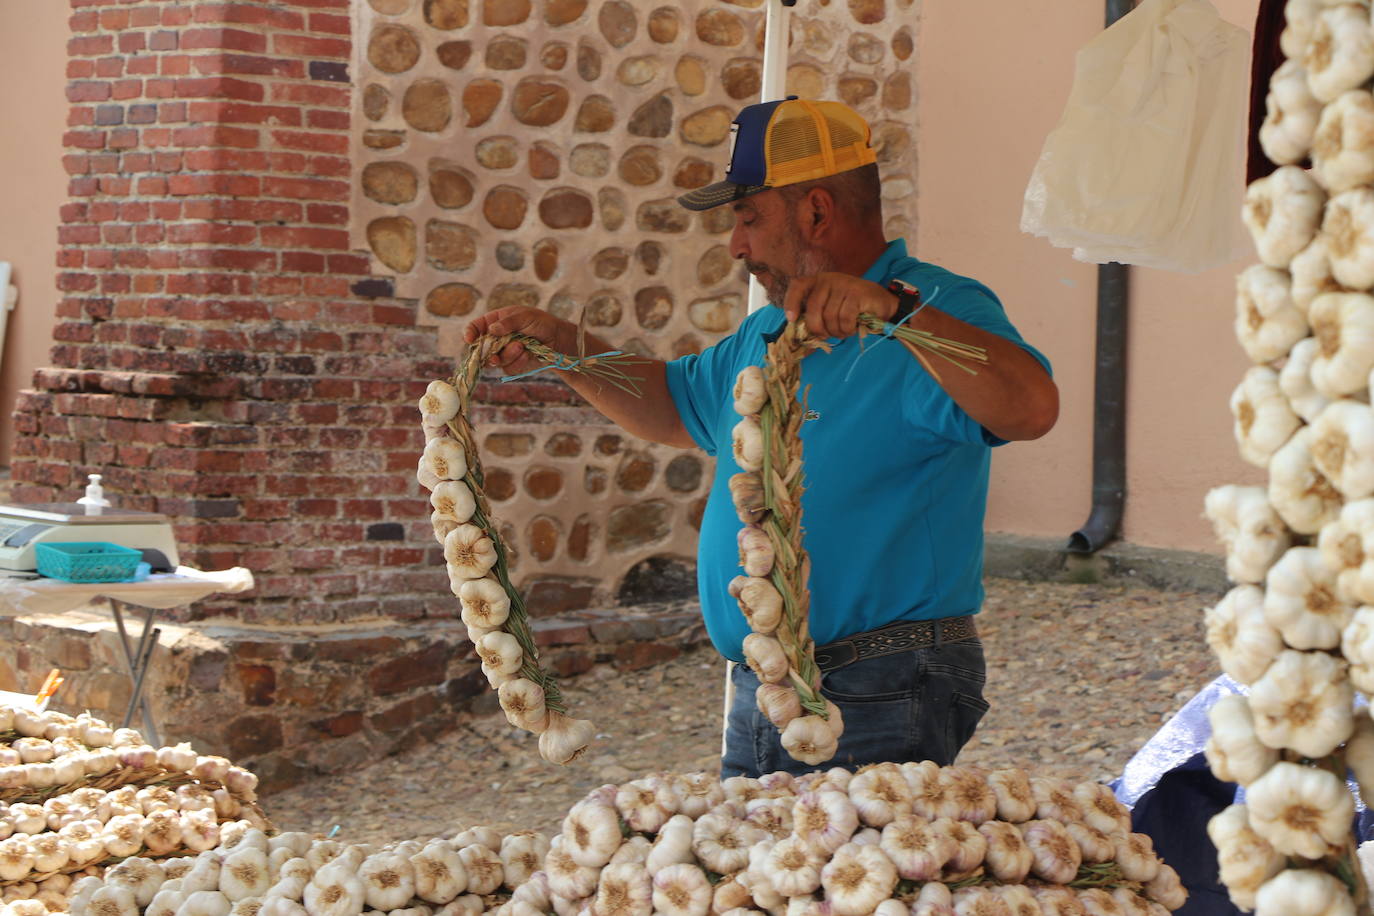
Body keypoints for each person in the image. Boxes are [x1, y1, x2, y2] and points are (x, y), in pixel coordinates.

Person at [464, 98, 1059, 777]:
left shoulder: (935, 306)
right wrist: (562, 349)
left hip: (878, 681)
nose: (737, 245)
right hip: (769, 685)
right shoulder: (768, 330)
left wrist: (897, 313)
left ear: (815, 211)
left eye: (749, 217)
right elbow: (671, 403)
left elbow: (1031, 407)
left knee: (836, 884)